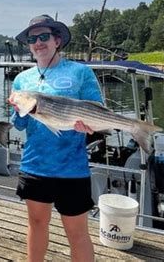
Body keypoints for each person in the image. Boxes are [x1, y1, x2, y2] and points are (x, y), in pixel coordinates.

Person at [8, 15, 102, 262]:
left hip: (72, 168)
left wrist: (88, 125)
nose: (38, 42)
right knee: (37, 224)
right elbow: (17, 124)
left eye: (44, 36)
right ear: (28, 45)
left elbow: (96, 110)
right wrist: (18, 112)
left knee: (77, 232)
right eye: (32, 38)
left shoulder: (80, 72)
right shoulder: (21, 79)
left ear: (57, 40)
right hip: (35, 165)